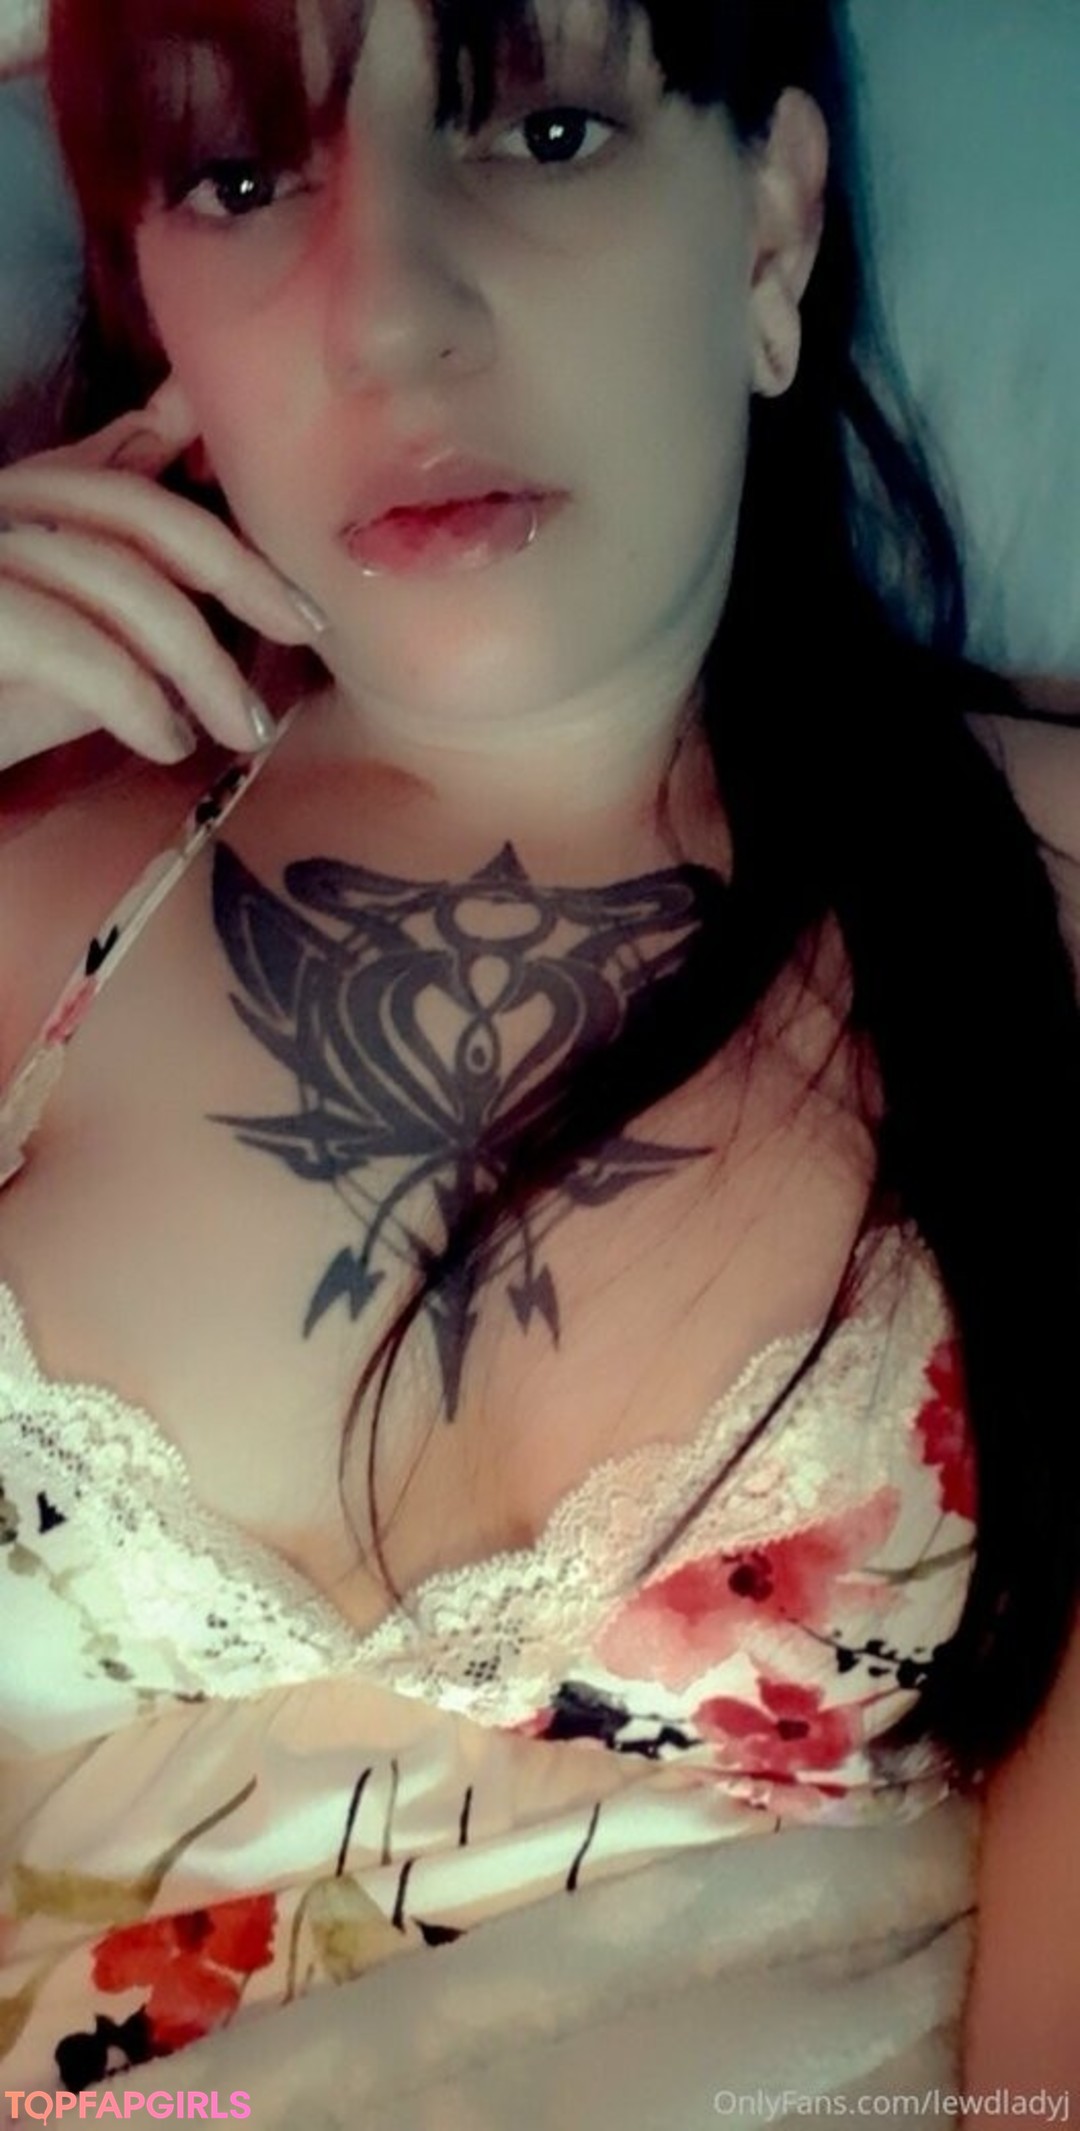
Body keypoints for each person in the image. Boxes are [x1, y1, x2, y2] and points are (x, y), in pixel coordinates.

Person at [0, 0, 1077, 2117]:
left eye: (549, 131)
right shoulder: (30, 870)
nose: (389, 315)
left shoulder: (1050, 905)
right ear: (150, 304)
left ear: (768, 233)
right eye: (242, 176)